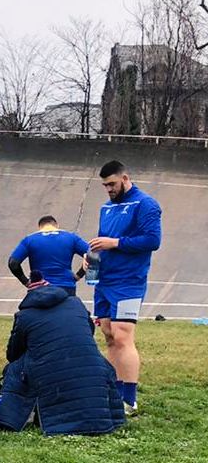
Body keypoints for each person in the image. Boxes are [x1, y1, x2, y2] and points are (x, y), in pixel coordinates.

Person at [0, 277, 125, 436]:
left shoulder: (25, 316)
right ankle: (115, 416)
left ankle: (9, 420)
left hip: (49, 371)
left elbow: (13, 353)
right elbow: (88, 331)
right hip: (91, 366)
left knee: (15, 369)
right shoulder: (76, 304)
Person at [88, 160, 162, 415]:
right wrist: (93, 256)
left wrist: (115, 243)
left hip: (129, 281)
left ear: (125, 178)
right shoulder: (106, 208)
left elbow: (153, 240)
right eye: (105, 185)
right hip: (104, 280)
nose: (108, 189)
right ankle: (115, 393)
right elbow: (103, 242)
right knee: (108, 334)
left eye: (112, 184)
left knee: (122, 335)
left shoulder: (146, 204)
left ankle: (129, 400)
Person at [8, 216, 90, 292]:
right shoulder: (71, 238)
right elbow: (93, 254)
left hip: (40, 288)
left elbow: (13, 263)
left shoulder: (29, 240)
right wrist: (79, 274)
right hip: (66, 286)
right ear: (57, 226)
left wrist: (26, 282)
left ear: (40, 227)